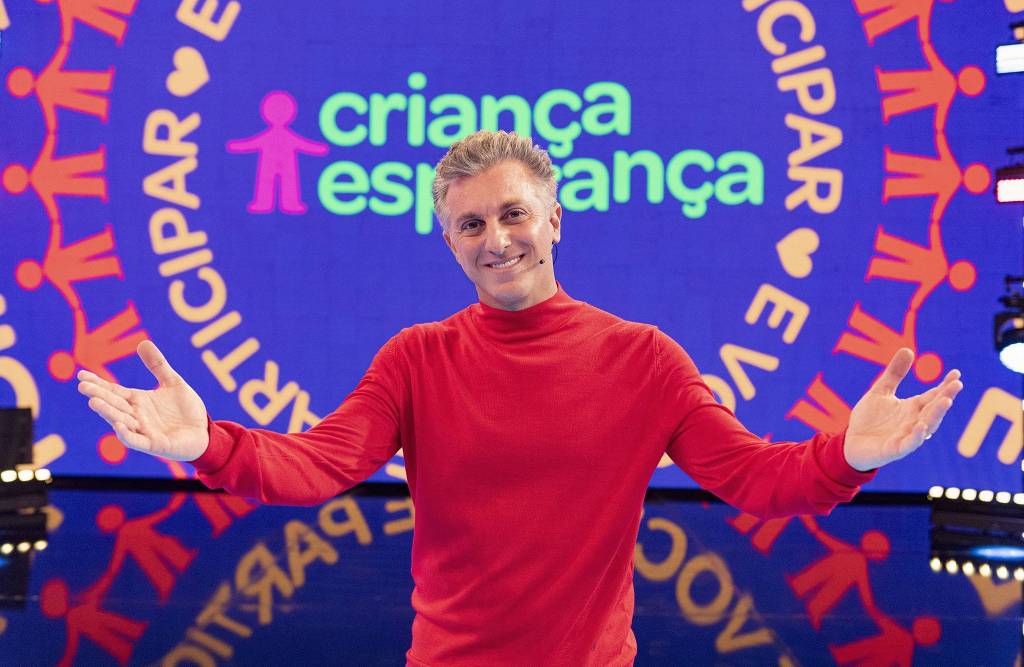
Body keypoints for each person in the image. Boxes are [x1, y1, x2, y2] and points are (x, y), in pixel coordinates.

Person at [77, 130, 964, 666]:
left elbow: (756, 477)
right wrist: (207, 443)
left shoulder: (643, 359)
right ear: (449, 242)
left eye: (512, 214)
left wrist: (851, 453)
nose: (496, 239)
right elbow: (316, 464)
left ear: (553, 220)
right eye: (470, 223)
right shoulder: (417, 358)